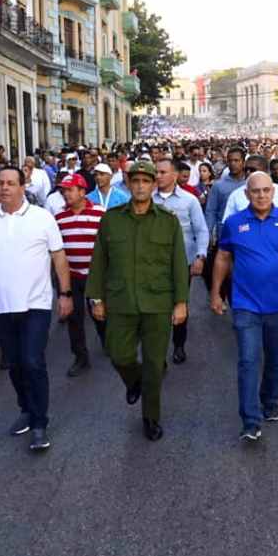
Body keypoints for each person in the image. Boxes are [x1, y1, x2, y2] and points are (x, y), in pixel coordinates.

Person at [0, 166, 73, 451]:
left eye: (11, 183)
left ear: (23, 186)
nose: (5, 188)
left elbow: (59, 257)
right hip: (1, 306)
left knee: (32, 361)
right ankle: (26, 408)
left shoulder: (42, 218)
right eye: (0, 183)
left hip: (36, 303)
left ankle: (39, 424)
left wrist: (65, 293)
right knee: (14, 363)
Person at [86, 161, 189, 442]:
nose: (141, 186)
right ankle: (134, 381)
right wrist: (97, 298)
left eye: (146, 181)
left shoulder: (168, 222)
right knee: (118, 353)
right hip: (121, 301)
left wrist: (181, 302)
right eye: (136, 181)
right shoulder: (111, 219)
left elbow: (179, 263)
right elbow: (99, 262)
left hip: (157, 303)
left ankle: (150, 418)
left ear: (154, 185)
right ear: (128, 184)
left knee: (155, 364)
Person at [210, 173, 278, 442]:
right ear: (246, 194)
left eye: (266, 190)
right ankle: (250, 421)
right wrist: (216, 293)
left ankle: (270, 400)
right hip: (245, 305)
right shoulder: (233, 223)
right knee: (248, 360)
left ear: (273, 193)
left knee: (275, 359)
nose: (261, 195)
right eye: (256, 191)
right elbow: (222, 257)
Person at [153, 158, 209, 365]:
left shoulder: (189, 200)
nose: (157, 176)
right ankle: (158, 350)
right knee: (156, 309)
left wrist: (200, 257)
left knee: (179, 303)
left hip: (181, 264)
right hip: (153, 265)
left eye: (162, 172)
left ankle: (178, 344)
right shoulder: (147, 199)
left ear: (174, 175)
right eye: (156, 172)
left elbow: (201, 230)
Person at [54, 174, 106, 377]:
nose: (66, 194)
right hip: (71, 276)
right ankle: (80, 357)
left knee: (100, 314)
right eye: (63, 190)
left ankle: (106, 339)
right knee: (74, 319)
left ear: (83, 192)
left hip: (96, 276)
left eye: (70, 189)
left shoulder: (101, 214)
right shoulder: (58, 217)